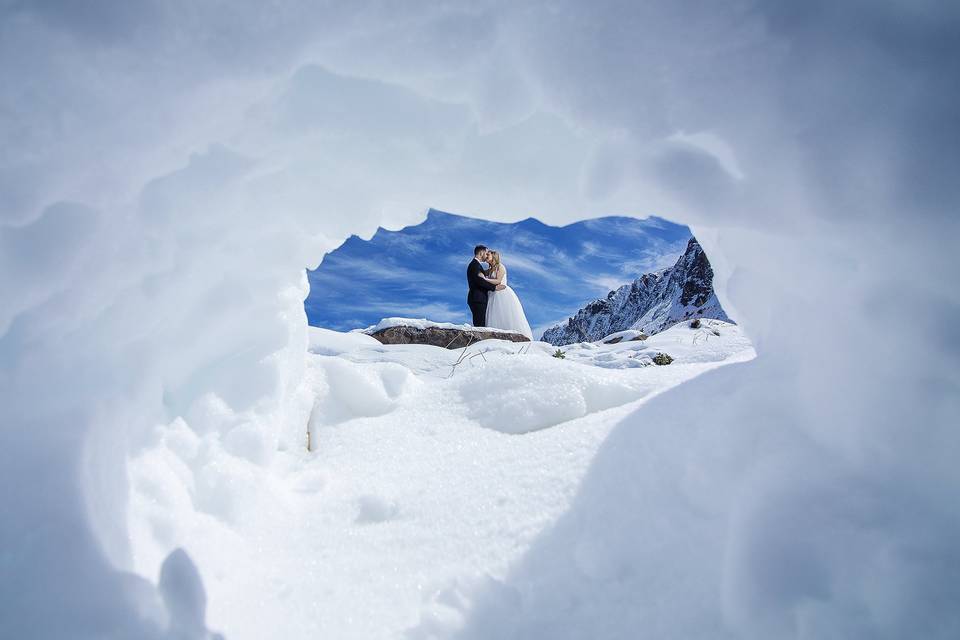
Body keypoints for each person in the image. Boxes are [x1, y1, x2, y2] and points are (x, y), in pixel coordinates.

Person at [477, 250, 533, 339]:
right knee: (494, 316)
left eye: (488, 255)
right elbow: (480, 273)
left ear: (494, 256)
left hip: (502, 294)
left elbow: (498, 281)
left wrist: (484, 279)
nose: (486, 256)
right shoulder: (490, 269)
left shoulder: (500, 267)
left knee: (505, 315)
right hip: (493, 295)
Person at [466, 245, 504, 327]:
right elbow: (480, 281)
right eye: (486, 253)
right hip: (478, 298)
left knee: (481, 322)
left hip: (479, 298)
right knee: (480, 324)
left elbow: (483, 279)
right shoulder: (475, 265)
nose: (486, 255)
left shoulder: (476, 265)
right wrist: (494, 287)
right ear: (481, 253)